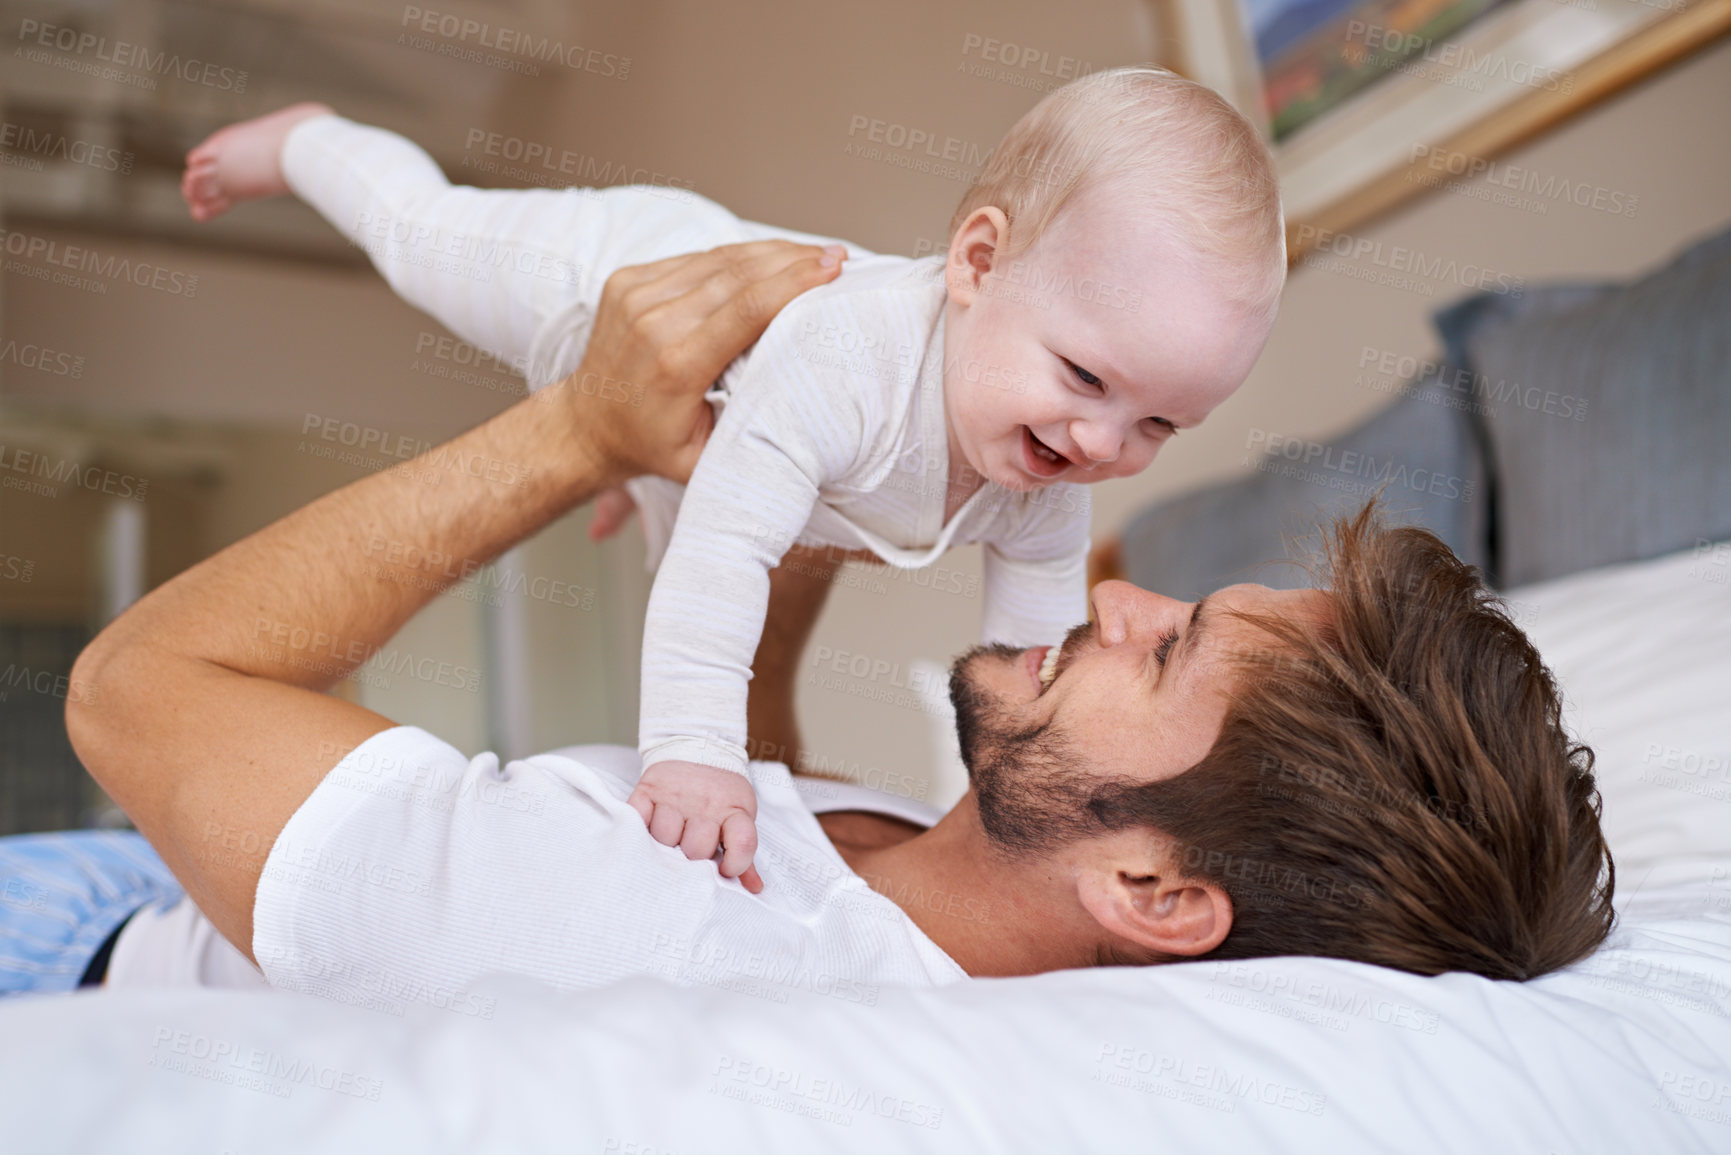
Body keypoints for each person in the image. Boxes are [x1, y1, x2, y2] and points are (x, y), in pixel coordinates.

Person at [28, 240, 1613, 1012]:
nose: (1112, 591)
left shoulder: (651, 951)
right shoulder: (922, 906)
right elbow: (757, 845)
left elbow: (140, 687)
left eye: (1164, 646)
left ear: (1153, 888)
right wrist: (767, 586)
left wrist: (580, 430)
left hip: (83, 942)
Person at [177, 66, 1288, 889]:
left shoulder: (1048, 469)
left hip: (735, 433)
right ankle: (310, 141)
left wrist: (996, 822)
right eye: (1086, 377)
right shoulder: (848, 365)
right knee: (427, 238)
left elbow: (1026, 668)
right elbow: (724, 562)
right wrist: (697, 756)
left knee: (721, 489)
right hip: (619, 276)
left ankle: (655, 473)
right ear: (978, 264)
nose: (1102, 443)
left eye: (1158, 425)